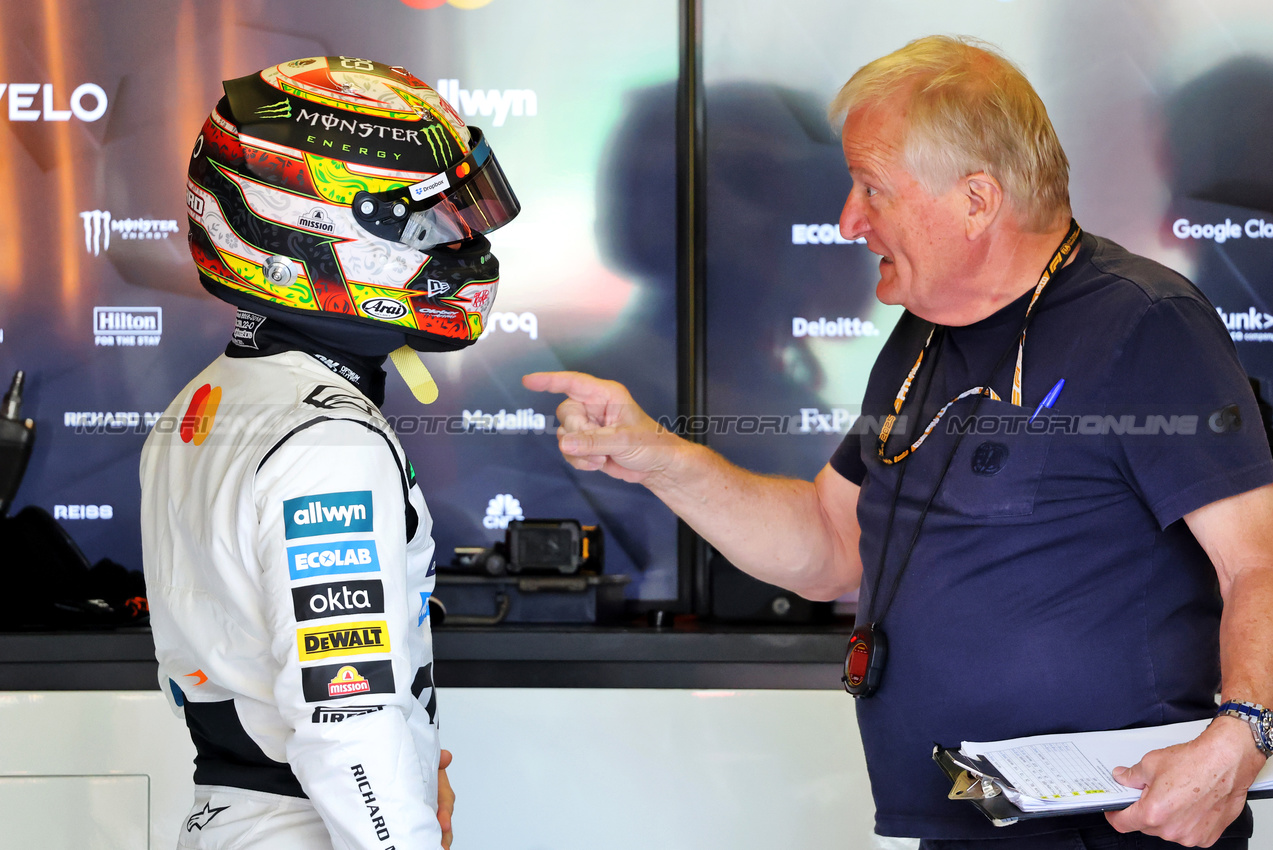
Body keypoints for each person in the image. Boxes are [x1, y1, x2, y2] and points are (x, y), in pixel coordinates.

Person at [524, 35, 1273, 849]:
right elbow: (828, 540)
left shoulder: (1144, 323)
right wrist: (659, 461)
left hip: (1116, 829)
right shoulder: (920, 337)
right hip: (961, 821)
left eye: (871, 188)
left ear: (976, 201)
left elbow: (1258, 562)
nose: (848, 219)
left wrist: (1241, 737)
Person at [141, 56, 519, 849]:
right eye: (434, 224)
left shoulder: (207, 403)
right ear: (313, 226)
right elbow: (347, 715)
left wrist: (416, 763)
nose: (465, 244)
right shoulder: (329, 443)